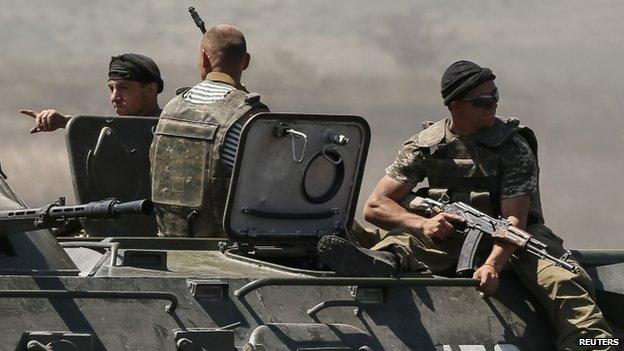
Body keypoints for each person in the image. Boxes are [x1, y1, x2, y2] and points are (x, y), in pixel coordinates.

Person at [318, 60, 614, 350]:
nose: (493, 104)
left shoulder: (512, 146)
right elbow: (376, 205)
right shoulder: (425, 146)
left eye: (495, 96)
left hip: (514, 239)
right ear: (456, 106)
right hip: (450, 238)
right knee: (397, 248)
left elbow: (514, 221)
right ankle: (375, 259)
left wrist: (492, 265)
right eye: (483, 101)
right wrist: (424, 223)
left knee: (561, 280)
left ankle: (593, 343)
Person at [150, 24, 268, 238]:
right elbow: (263, 189)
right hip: (225, 252)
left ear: (204, 59)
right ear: (246, 61)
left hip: (169, 246)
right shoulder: (248, 118)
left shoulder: (171, 108)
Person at [20, 53, 163, 132]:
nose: (114, 98)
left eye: (123, 88)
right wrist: (64, 122)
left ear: (150, 90)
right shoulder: (115, 132)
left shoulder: (172, 130)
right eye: (111, 88)